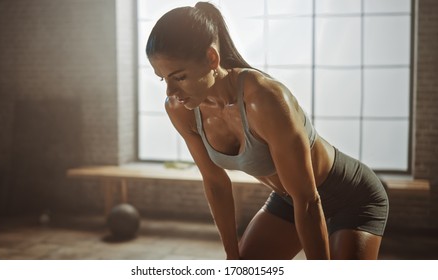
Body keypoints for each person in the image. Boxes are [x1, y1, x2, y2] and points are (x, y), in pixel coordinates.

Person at [145, 2, 389, 260]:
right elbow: (216, 183)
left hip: (351, 197)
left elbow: (308, 201)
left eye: (179, 77)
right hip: (289, 200)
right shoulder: (181, 109)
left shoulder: (263, 98)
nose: (170, 92)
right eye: (163, 78)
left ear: (211, 58)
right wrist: (232, 256)